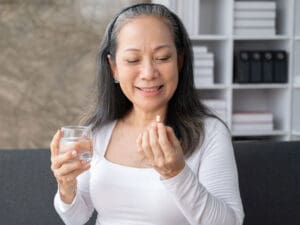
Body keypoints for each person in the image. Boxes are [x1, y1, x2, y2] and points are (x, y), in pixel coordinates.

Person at [50, 3, 244, 225]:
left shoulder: (209, 133)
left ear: (180, 61)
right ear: (113, 67)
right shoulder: (98, 132)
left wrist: (177, 173)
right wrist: (66, 186)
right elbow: (75, 218)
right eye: (133, 60)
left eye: (162, 58)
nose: (149, 73)